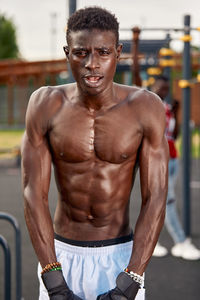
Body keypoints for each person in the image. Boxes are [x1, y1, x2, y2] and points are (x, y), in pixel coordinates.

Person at [21, 7, 169, 300]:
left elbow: (156, 196)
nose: (92, 63)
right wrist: (53, 278)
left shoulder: (145, 107)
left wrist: (132, 277)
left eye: (103, 52)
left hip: (122, 258)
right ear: (67, 53)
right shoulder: (45, 104)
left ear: (118, 52)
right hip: (60, 254)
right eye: (81, 53)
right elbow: (31, 193)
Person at [151, 75, 200, 260]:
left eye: (165, 89)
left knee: (160, 202)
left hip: (172, 158)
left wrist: (176, 112)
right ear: (153, 87)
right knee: (168, 201)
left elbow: (175, 134)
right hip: (159, 160)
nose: (163, 92)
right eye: (160, 88)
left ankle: (151, 242)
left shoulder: (166, 108)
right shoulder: (150, 107)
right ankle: (181, 242)